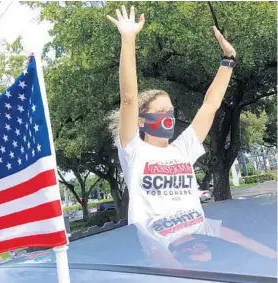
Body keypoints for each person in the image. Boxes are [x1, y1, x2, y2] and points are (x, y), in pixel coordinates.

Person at [106, 6, 276, 268]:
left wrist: (229, 60)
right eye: (160, 111)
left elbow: (210, 105)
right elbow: (129, 99)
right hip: (159, 237)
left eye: (171, 111)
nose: (168, 116)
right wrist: (128, 40)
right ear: (141, 120)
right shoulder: (133, 150)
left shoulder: (182, 148)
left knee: (249, 251)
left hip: (197, 227)